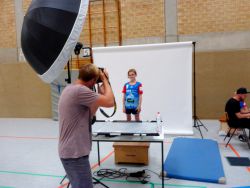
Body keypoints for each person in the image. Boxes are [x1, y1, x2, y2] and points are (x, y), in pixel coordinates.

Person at [58, 63, 114, 188]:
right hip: (74, 154)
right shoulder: (80, 91)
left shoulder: (71, 88)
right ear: (93, 80)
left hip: (72, 152)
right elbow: (110, 102)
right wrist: (105, 79)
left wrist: (98, 98)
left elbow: (90, 117)